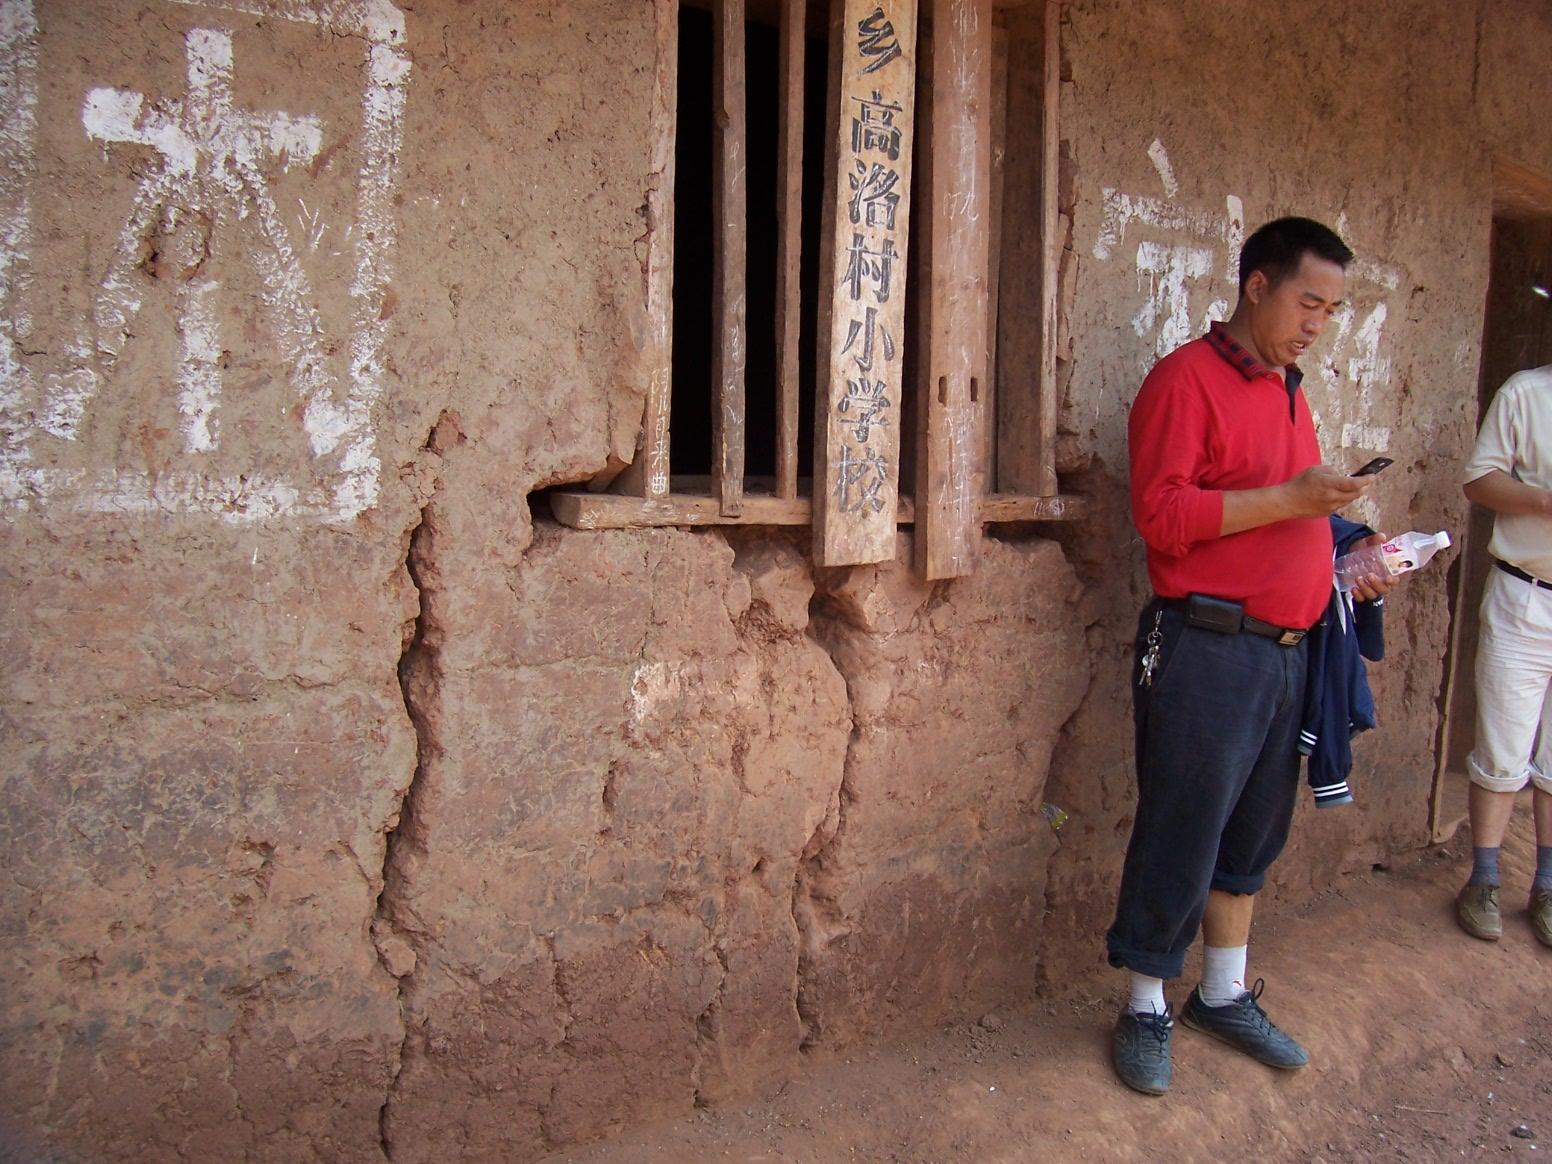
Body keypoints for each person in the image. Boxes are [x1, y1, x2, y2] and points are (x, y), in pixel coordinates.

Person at [1107, 216, 1396, 1096]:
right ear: (1257, 285)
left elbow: (1284, 512)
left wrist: (1345, 549)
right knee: (1183, 824)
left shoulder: (1288, 390)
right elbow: (1162, 516)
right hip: (1207, 645)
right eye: (1308, 301)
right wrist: (1292, 500)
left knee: (1252, 834)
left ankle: (1222, 994)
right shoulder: (1184, 380)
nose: (1318, 323)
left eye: (1332, 310)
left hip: (1284, 652)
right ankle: (1146, 1004)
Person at [1454, 366, 1552, 949]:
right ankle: (1484, 878)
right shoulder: (1527, 393)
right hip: (1525, 595)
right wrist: (1543, 499)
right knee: (1501, 749)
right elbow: (1479, 481)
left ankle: (1549, 885)